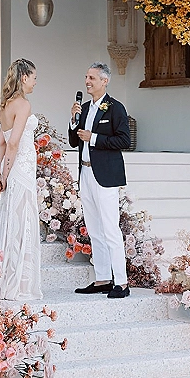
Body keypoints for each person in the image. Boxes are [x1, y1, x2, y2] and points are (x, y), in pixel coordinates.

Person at [69, 62, 131, 299]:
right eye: (86, 77)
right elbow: (75, 142)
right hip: (85, 174)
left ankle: (122, 283)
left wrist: (93, 138)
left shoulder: (115, 108)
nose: (87, 81)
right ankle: (103, 278)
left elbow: (124, 140)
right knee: (94, 228)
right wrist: (73, 121)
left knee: (110, 229)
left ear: (105, 81)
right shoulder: (83, 108)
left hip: (105, 176)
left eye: (92, 78)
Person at [0, 58, 43, 301]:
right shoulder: (23, 104)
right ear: (24, 77)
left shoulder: (5, 105)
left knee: (12, 221)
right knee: (22, 223)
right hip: (20, 168)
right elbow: (12, 143)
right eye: (33, 77)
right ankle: (19, 284)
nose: (35, 81)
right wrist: (6, 173)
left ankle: (8, 279)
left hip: (12, 168)